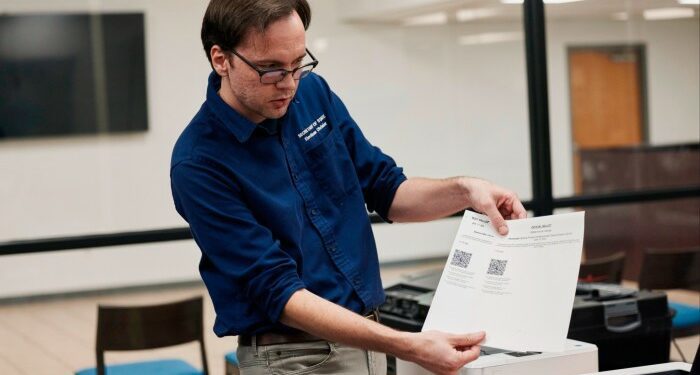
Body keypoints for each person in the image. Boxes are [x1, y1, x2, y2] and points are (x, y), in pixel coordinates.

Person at [170, 0, 527, 374]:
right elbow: (279, 292)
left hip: (367, 340)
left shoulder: (312, 95)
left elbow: (387, 190)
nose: (289, 84)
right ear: (221, 59)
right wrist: (408, 344)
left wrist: (466, 191)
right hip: (293, 359)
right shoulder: (199, 163)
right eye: (271, 69)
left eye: (297, 64)